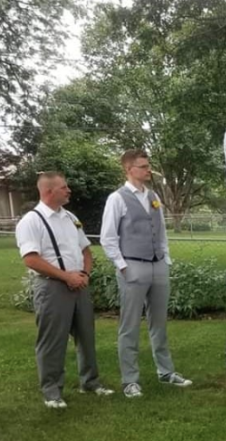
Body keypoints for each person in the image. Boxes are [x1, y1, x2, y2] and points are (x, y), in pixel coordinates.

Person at [15, 172, 114, 408]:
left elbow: (86, 250)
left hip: (79, 285)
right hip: (51, 287)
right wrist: (66, 276)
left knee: (86, 338)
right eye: (64, 187)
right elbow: (31, 259)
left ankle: (90, 382)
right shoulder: (32, 221)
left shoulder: (70, 217)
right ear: (49, 191)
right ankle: (52, 392)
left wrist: (84, 275)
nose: (69, 190)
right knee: (52, 341)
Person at [101, 150, 191, 399]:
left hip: (158, 265)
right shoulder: (116, 199)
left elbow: (160, 230)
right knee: (129, 326)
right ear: (129, 169)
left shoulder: (153, 196)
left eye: (147, 166)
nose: (147, 170)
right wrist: (122, 265)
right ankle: (130, 380)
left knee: (159, 324)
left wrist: (166, 258)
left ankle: (166, 372)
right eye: (142, 167)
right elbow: (108, 238)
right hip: (133, 265)